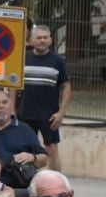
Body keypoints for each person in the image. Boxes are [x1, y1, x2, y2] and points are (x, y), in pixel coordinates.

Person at [13, 23, 71, 171]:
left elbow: (66, 87)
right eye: (38, 38)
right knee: (27, 150)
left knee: (51, 149)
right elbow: (14, 85)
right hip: (25, 113)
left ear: (51, 40)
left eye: (45, 37)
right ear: (31, 40)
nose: (42, 40)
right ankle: (28, 182)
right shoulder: (22, 59)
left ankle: (57, 185)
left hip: (49, 114)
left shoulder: (57, 61)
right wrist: (12, 110)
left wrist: (61, 113)